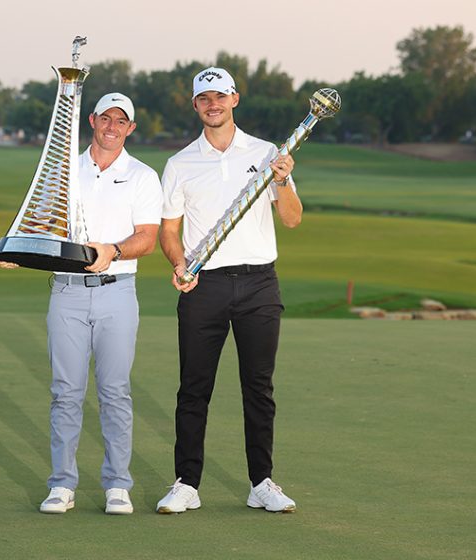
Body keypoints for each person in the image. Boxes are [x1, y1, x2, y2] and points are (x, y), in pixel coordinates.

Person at [0, 92, 162, 515]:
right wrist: (22, 250)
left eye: (120, 121)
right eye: (105, 118)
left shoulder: (142, 175)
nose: (112, 126)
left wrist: (112, 251)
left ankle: (117, 486)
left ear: (131, 128)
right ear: (92, 119)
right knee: (65, 393)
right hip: (67, 293)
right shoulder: (64, 170)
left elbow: (147, 238)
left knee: (115, 392)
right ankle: (62, 484)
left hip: (118, 291)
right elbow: (41, 221)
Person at [156, 67, 303, 514]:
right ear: (196, 106)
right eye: (205, 99)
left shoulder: (268, 153)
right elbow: (169, 230)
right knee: (194, 388)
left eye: (220, 97)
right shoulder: (180, 164)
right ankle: (187, 483)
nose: (213, 105)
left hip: (259, 282)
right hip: (206, 285)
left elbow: (293, 218)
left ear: (234, 99)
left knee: (258, 387)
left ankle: (262, 483)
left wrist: (280, 180)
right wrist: (179, 263)